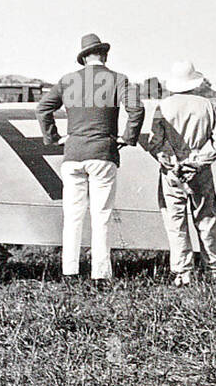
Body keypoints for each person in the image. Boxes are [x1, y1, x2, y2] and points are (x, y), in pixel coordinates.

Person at [36, 33, 144, 284]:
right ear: (104, 55)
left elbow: (42, 108)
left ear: (83, 58)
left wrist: (54, 138)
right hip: (103, 153)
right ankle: (100, 274)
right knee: (101, 215)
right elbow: (136, 109)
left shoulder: (67, 81)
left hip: (73, 154)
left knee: (73, 215)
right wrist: (126, 138)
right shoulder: (118, 79)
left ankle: (70, 272)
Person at [145, 61, 216, 286]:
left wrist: (173, 162)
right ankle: (215, 269)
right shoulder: (207, 106)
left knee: (175, 222)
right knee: (207, 219)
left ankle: (183, 272)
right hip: (200, 172)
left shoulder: (163, 107)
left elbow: (155, 143)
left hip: (171, 173)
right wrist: (196, 162)